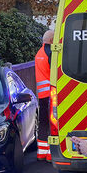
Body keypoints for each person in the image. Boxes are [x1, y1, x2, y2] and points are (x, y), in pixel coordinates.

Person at [34, 29, 54, 160]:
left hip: (42, 95)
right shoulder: (50, 52)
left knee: (43, 123)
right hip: (51, 94)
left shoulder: (39, 53)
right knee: (53, 123)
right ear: (52, 40)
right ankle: (51, 153)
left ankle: (41, 152)